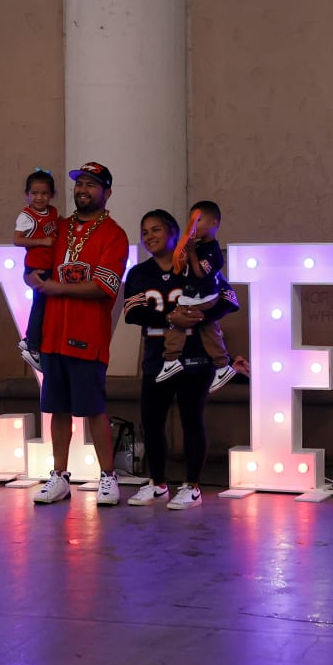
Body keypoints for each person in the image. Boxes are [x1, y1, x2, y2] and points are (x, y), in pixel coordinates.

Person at [27, 162, 129, 507]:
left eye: (91, 184)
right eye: (79, 183)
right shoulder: (58, 227)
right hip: (53, 333)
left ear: (107, 192)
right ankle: (59, 476)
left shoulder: (114, 235)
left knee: (94, 408)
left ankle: (108, 477)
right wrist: (34, 277)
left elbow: (104, 286)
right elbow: (35, 263)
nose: (83, 190)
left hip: (88, 336)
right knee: (57, 409)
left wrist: (56, 287)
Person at [123, 208, 239, 509]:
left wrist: (201, 317)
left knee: (191, 420)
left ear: (176, 233)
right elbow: (132, 313)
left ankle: (192, 485)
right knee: (152, 421)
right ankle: (158, 482)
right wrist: (170, 317)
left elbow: (229, 298)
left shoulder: (195, 265)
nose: (149, 236)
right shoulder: (139, 273)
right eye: (144, 232)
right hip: (157, 358)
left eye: (156, 229)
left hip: (195, 357)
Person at [156, 200, 236, 392]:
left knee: (177, 320)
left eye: (199, 220)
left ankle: (171, 359)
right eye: (192, 221)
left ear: (214, 223)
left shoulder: (213, 251)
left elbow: (200, 272)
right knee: (209, 330)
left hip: (202, 297)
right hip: (195, 294)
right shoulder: (199, 246)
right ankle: (222, 364)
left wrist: (191, 252)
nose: (194, 226)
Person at [14, 169, 58, 373]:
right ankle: (33, 346)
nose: (39, 198)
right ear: (27, 194)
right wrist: (42, 241)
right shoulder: (27, 216)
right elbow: (17, 239)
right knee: (40, 305)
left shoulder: (52, 212)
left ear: (51, 195)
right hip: (36, 267)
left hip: (50, 266)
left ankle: (31, 339)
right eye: (34, 193)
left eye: (44, 193)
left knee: (47, 306)